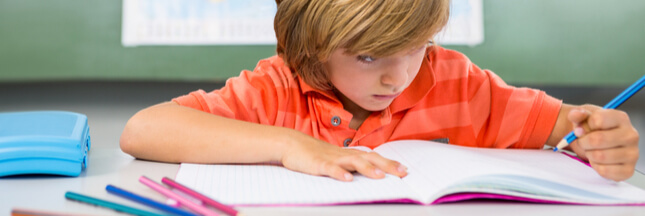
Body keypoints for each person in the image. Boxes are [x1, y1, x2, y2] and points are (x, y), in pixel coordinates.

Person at [120, 0, 639, 182]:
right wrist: (288, 144)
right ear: (314, 45)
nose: (398, 78)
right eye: (368, 57)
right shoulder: (278, 87)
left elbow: (568, 126)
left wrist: (599, 135)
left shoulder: (456, 80)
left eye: (415, 48)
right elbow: (144, 130)